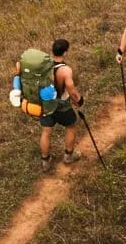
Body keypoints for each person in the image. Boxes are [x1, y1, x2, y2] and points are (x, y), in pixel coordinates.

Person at [19, 39, 83, 173]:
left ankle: (45, 161)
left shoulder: (43, 66)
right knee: (71, 126)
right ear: (65, 52)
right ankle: (68, 156)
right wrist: (78, 100)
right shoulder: (65, 70)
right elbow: (71, 89)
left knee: (46, 132)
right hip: (61, 105)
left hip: (45, 103)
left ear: (52, 50)